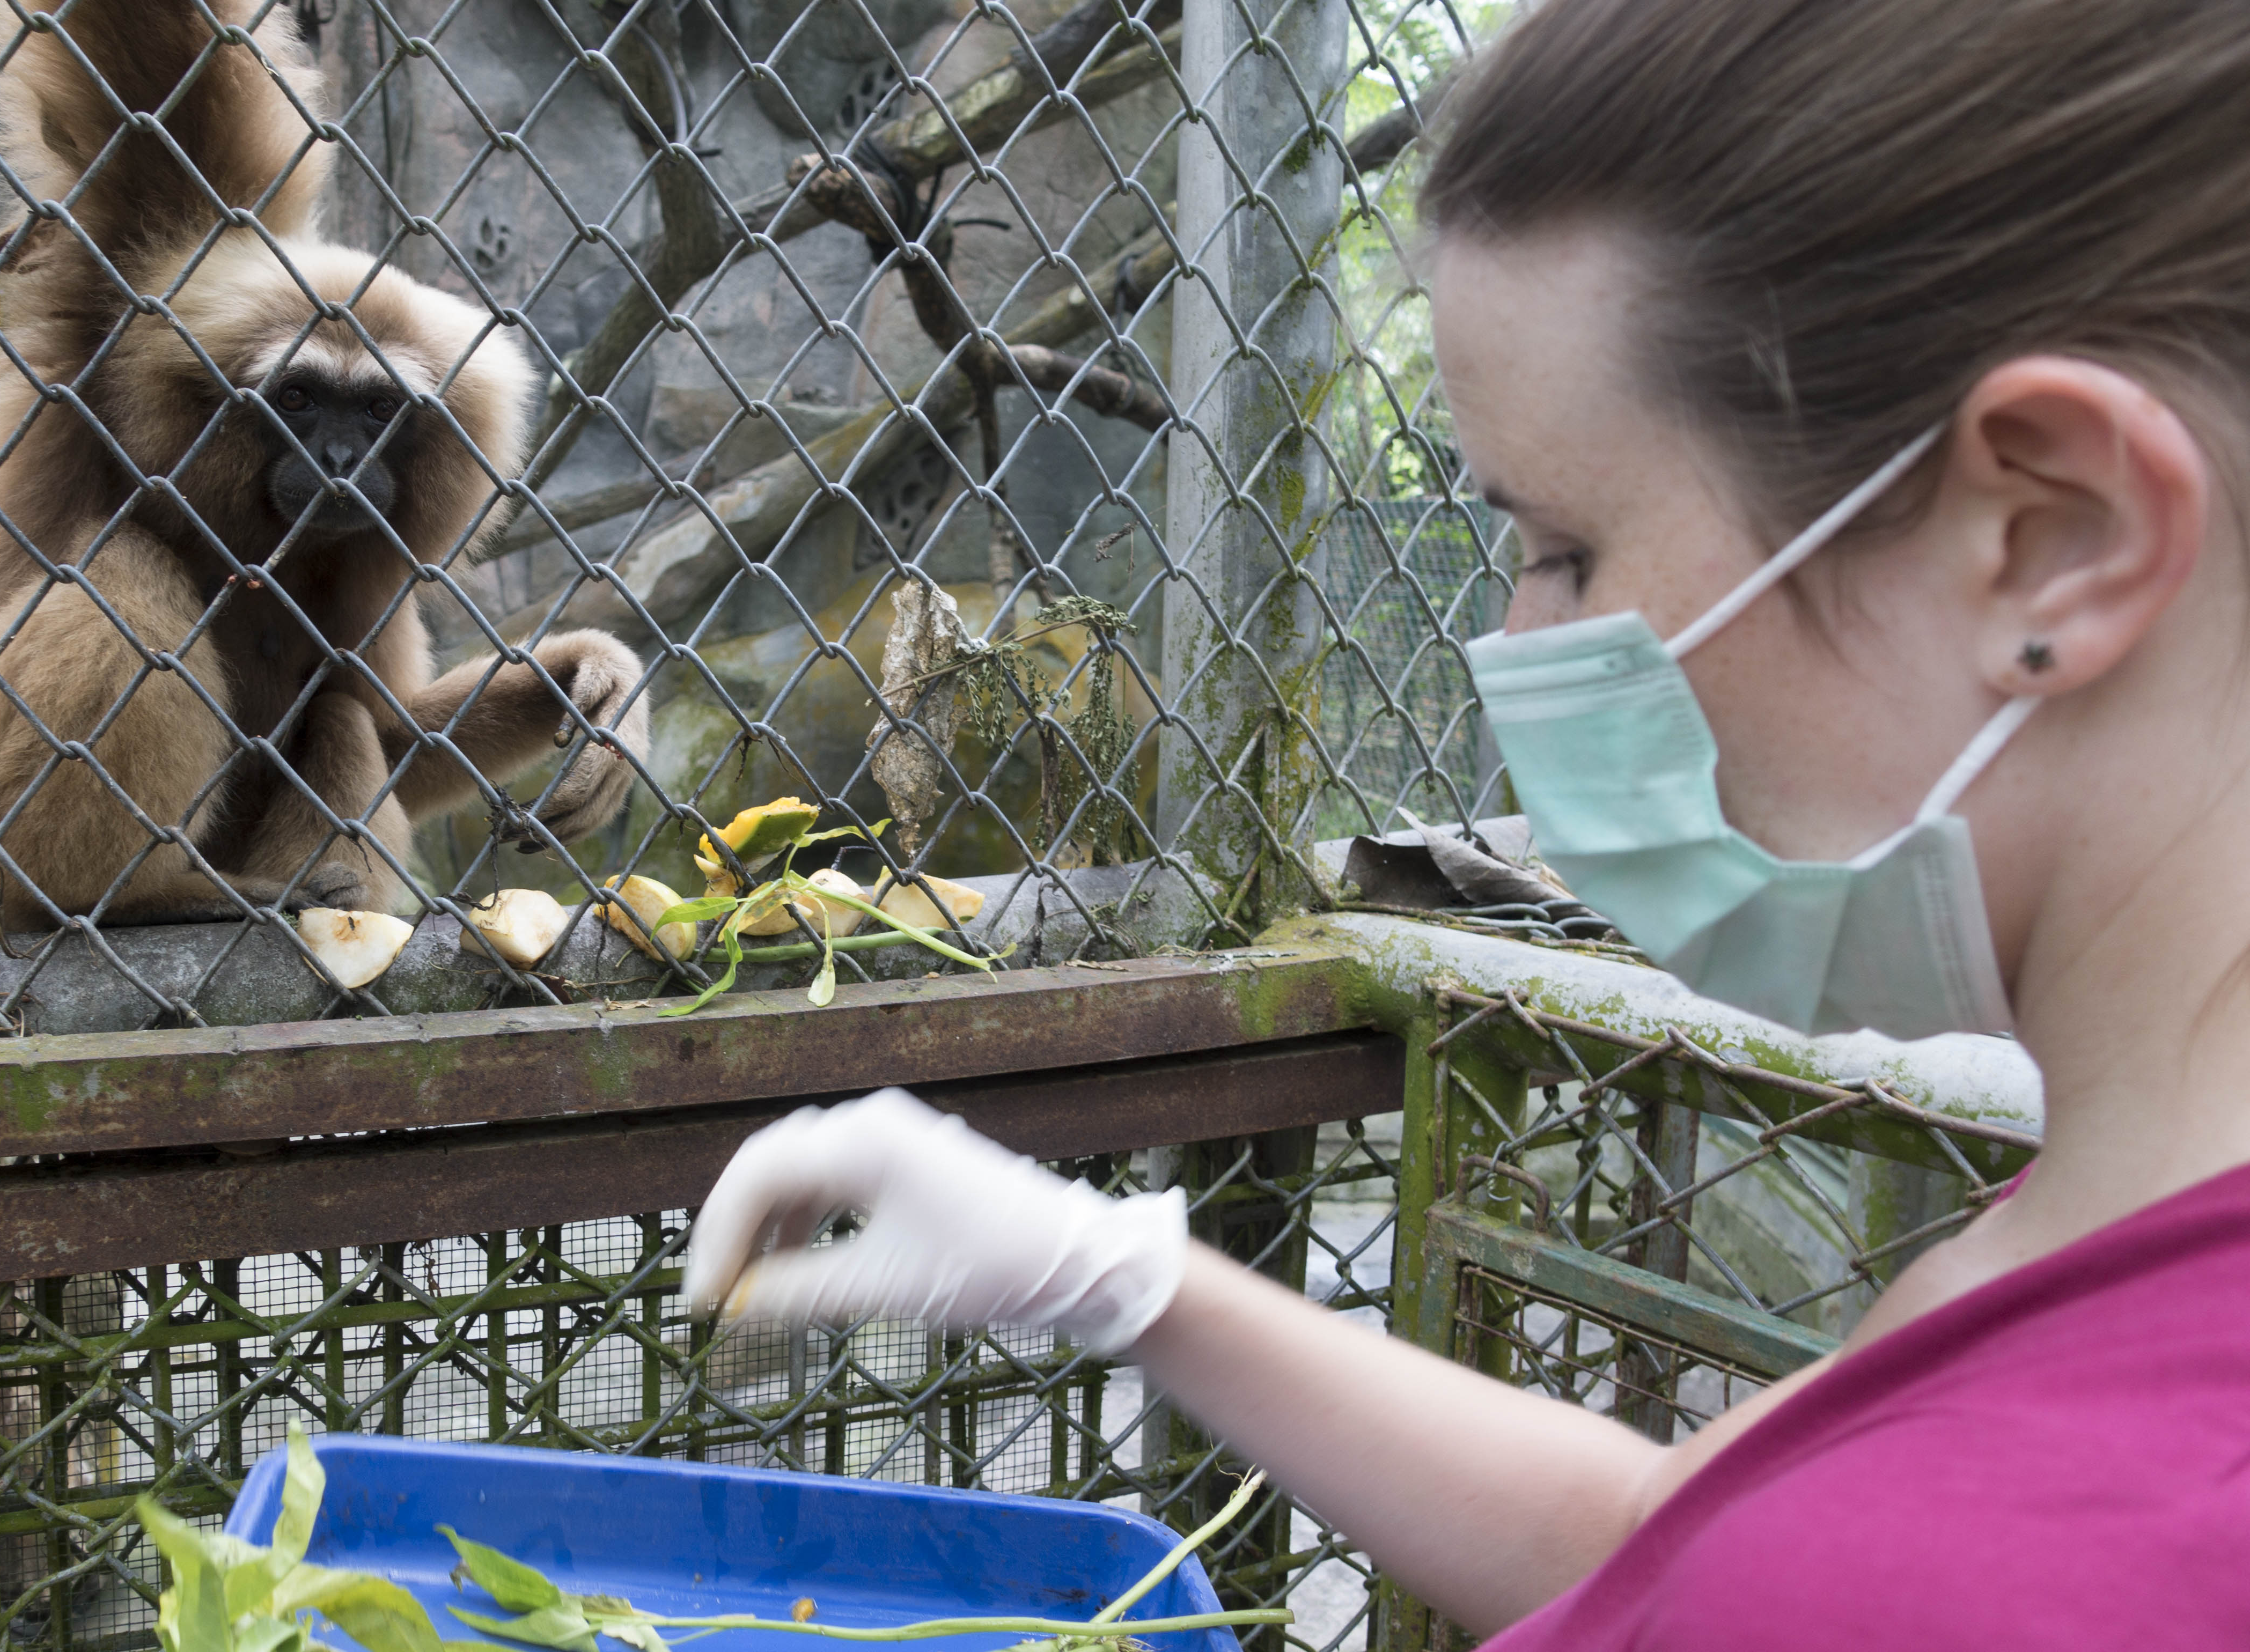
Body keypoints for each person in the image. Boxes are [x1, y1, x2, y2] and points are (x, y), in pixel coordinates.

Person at [683, 1, 2250, 1644]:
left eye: (1565, 545)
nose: (1511, 651)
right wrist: (1122, 1277)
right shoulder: (2123, 1228)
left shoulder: (2049, 1560)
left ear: (2052, 539)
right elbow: (1681, 1545)